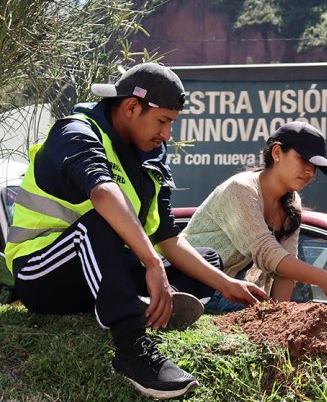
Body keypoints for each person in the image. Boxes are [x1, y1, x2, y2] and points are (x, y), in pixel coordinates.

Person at [4, 63, 268, 399]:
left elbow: (168, 238)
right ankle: (131, 348)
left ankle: (144, 304)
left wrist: (226, 284)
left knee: (208, 261)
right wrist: (152, 264)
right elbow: (103, 193)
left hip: (99, 271)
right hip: (42, 272)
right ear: (131, 107)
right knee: (102, 221)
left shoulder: (151, 156)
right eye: (163, 121)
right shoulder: (75, 132)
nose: (167, 134)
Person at [182, 121, 327, 309]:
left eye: (315, 166)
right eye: (304, 159)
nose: (310, 171)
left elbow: (285, 270)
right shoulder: (241, 188)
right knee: (256, 311)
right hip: (190, 286)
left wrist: (281, 316)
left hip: (230, 290)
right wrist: (323, 277)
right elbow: (268, 252)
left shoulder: (291, 201)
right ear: (277, 153)